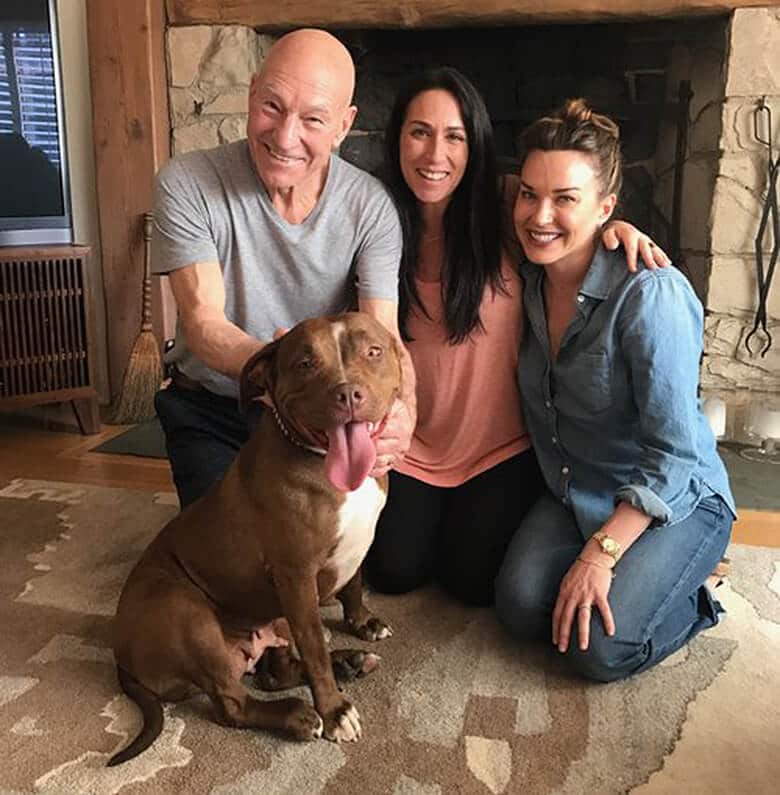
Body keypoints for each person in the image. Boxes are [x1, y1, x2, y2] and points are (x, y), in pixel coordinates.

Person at [364, 69, 670, 607]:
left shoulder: (509, 206)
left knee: (473, 583)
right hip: (410, 448)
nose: (435, 153)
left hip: (498, 449)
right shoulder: (372, 218)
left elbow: (565, 220)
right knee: (393, 571)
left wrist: (616, 231)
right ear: (396, 138)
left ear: (474, 142)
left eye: (454, 136)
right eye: (419, 132)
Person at [493, 99, 736, 681]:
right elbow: (477, 184)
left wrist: (597, 556)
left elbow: (673, 454)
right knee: (520, 609)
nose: (540, 214)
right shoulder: (528, 273)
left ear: (606, 207)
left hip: (673, 501)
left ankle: (699, 594)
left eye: (566, 199)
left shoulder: (650, 295)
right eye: (529, 194)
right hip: (580, 489)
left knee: (597, 651)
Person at [151, 29, 416, 509]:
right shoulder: (186, 183)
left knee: (369, 557)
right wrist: (282, 369)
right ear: (252, 93)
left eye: (313, 119)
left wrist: (403, 414)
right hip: (214, 407)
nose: (285, 136)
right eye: (271, 106)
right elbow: (204, 323)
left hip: (323, 409)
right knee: (238, 566)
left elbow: (384, 334)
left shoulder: (371, 207)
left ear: (343, 125)